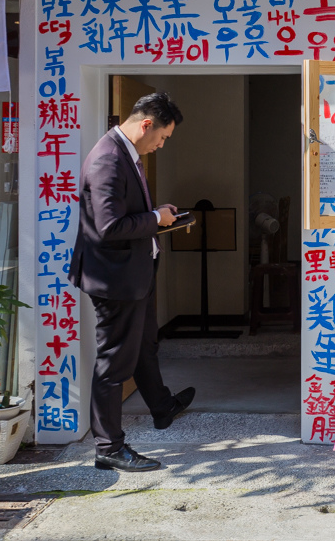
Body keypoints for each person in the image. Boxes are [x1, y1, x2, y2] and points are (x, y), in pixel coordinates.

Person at [68, 92, 195, 472]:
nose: (161, 144)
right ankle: (108, 446)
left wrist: (160, 214)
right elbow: (108, 227)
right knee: (114, 363)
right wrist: (155, 218)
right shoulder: (107, 158)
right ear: (146, 125)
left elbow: (127, 213)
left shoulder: (125, 152)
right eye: (163, 137)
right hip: (115, 279)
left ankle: (161, 406)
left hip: (134, 272)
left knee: (143, 345)